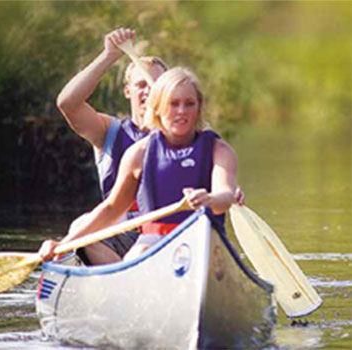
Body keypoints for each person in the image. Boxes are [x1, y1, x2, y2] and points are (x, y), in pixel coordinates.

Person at [40, 67, 243, 263]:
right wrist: (63, 244)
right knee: (136, 255)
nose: (182, 111)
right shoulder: (138, 154)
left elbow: (225, 196)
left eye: (189, 103)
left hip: (205, 240)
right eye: (174, 104)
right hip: (154, 241)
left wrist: (209, 199)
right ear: (158, 107)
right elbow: (112, 208)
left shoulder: (219, 150)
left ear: (199, 107)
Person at [57, 28, 168, 264]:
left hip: (170, 232)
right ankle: (125, 283)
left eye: (156, 85)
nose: (149, 90)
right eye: (141, 85)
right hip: (122, 234)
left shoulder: (185, 136)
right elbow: (68, 103)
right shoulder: (110, 131)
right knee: (81, 226)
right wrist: (109, 56)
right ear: (128, 92)